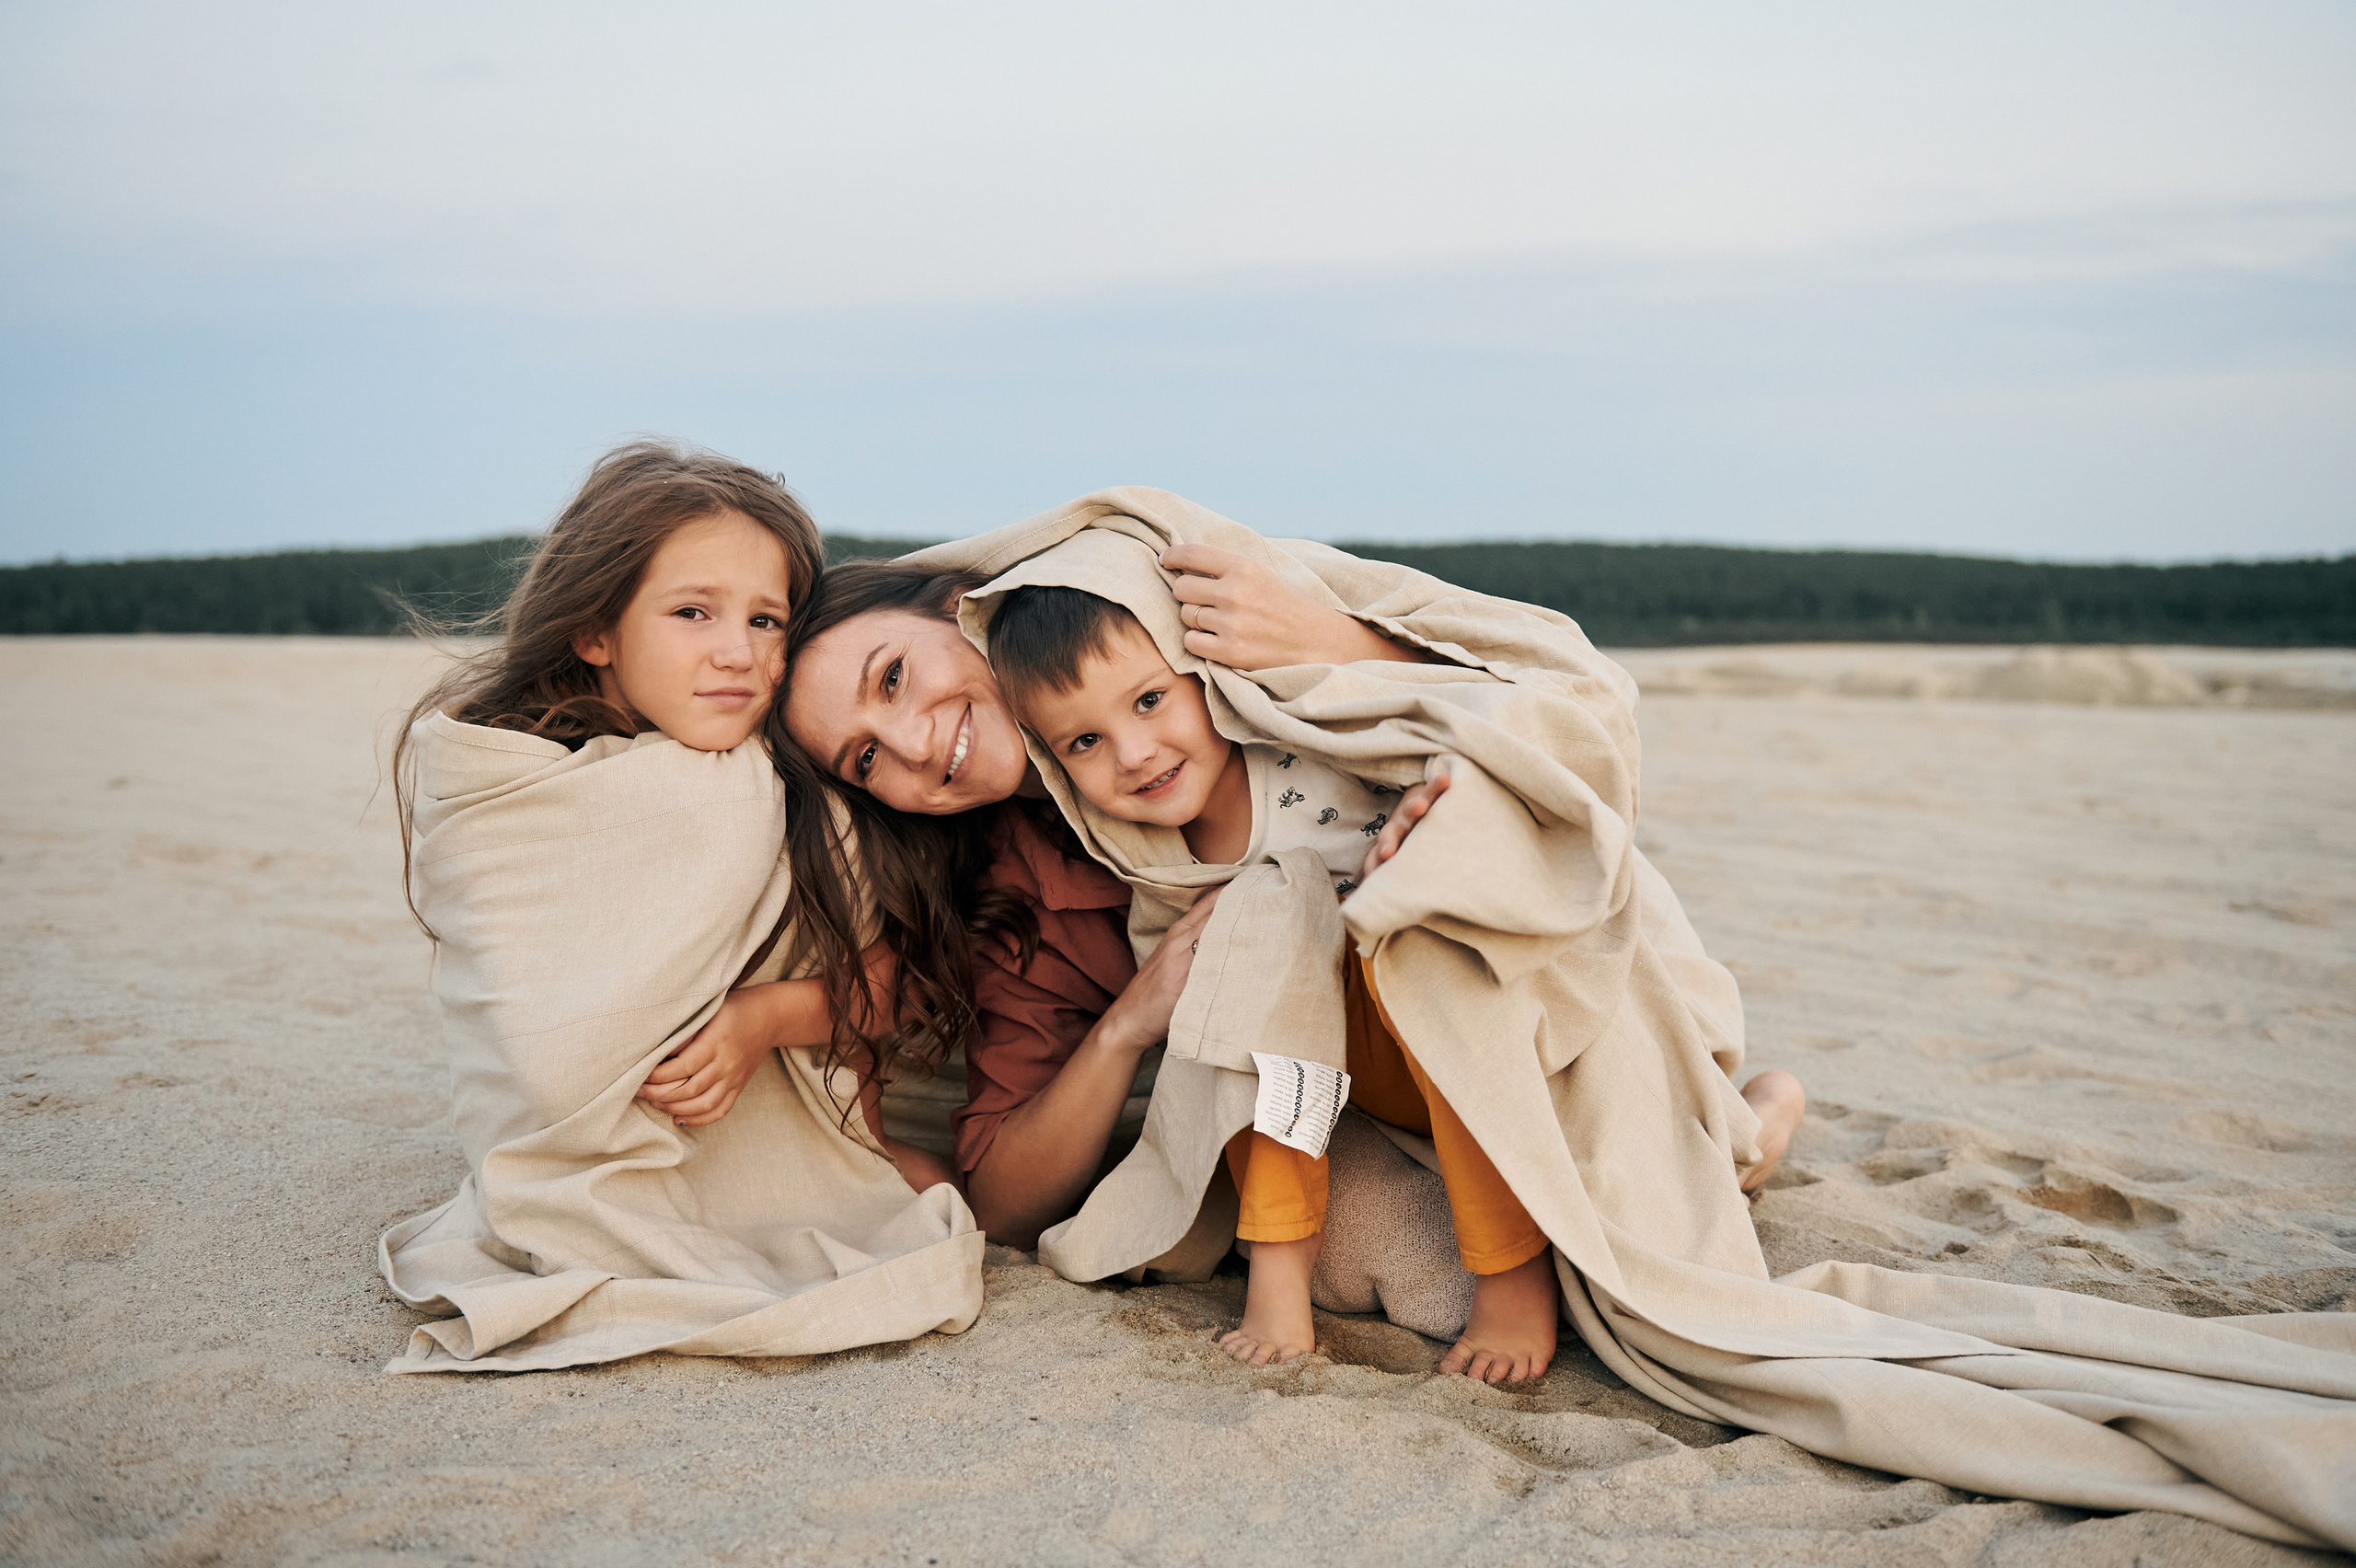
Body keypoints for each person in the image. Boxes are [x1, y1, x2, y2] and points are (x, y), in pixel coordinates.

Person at [777, 541, 1806, 1355]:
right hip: (1337, 1074)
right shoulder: (1018, 885)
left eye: (897, 676)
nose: (913, 742)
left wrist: (1350, 649)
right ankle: (1683, 1163)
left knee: (1615, 1175)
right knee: (1394, 1242)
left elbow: (1568, 709)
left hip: (1532, 979)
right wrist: (1131, 1023)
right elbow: (1001, 1196)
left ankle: (1738, 1126)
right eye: (866, 756)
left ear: (964, 607)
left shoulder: (1195, 634)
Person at [378, 441, 983, 1371]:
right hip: (591, 1164)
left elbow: (895, 983)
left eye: (767, 618)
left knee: (939, 1194)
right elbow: (540, 1049)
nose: (737, 653)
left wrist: (761, 1019)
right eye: (692, 612)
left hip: (798, 1110)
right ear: (595, 630)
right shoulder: (505, 787)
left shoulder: (801, 788)